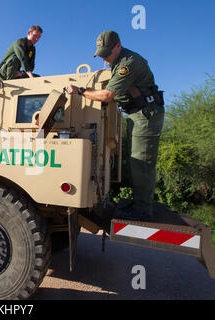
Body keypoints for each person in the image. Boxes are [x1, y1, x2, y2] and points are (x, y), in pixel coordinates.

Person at [65, 30, 165, 221]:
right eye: (101, 54)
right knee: (135, 161)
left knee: (141, 162)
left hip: (146, 115)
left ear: (118, 46)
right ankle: (140, 204)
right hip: (138, 114)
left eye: (107, 53)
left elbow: (107, 95)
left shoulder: (128, 64)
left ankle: (143, 211)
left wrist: (80, 91)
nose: (104, 58)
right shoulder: (118, 63)